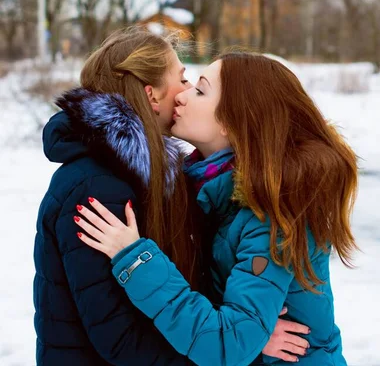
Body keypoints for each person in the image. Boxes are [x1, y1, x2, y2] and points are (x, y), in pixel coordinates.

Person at [34, 28, 308, 366]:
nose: (186, 92)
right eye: (182, 78)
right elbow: (122, 341)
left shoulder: (150, 175)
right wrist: (240, 348)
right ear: (152, 95)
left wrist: (247, 332)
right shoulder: (98, 189)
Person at [73, 53, 358, 366]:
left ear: (232, 121)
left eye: (200, 90)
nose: (182, 95)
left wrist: (137, 260)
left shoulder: (272, 215)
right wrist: (256, 334)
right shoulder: (212, 192)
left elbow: (230, 344)